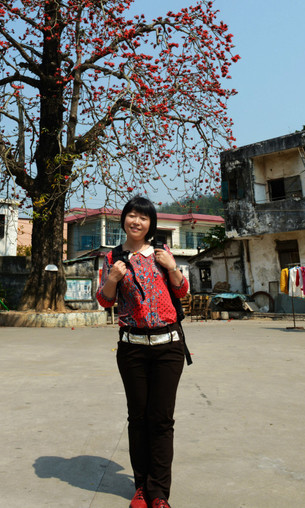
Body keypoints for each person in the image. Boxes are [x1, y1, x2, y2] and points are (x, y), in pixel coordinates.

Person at [96, 195, 190, 508]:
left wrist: (173, 267)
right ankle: (140, 488)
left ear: (151, 224)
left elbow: (181, 291)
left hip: (168, 347)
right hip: (132, 349)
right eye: (132, 216)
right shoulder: (114, 258)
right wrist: (112, 279)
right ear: (124, 219)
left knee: (161, 420)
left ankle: (159, 493)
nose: (137, 221)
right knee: (138, 419)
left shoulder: (162, 253)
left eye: (143, 217)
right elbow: (106, 301)